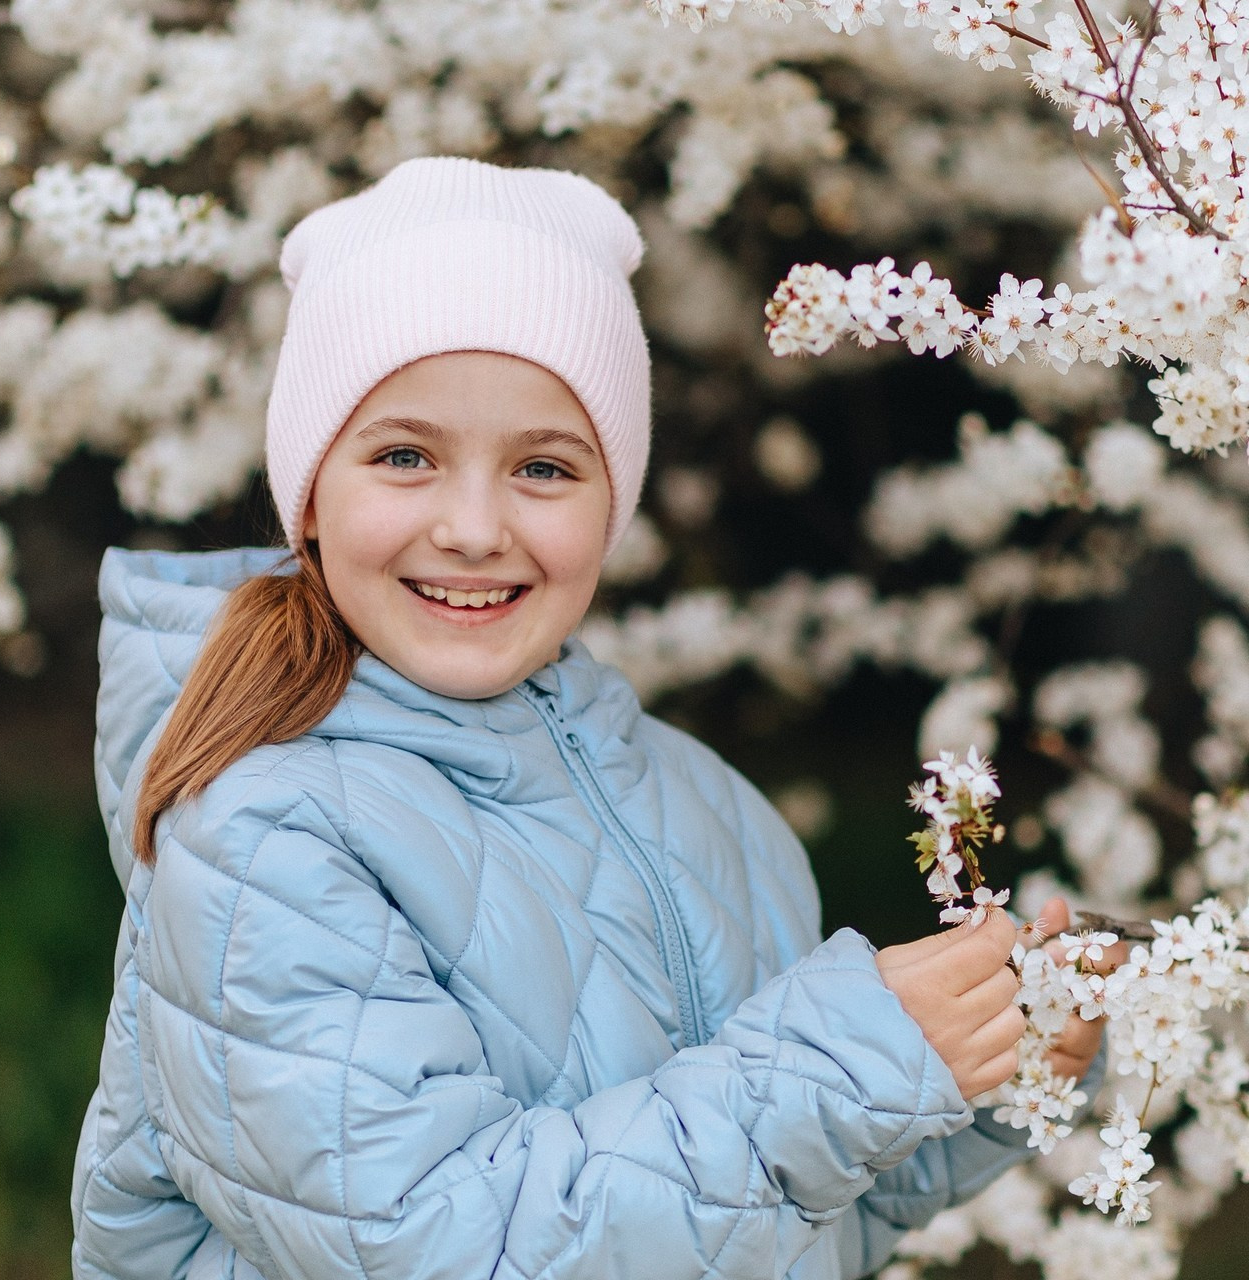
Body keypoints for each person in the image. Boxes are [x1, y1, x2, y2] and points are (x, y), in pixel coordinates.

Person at [71, 156, 1105, 1280]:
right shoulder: (262, 840)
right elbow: (435, 1243)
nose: (472, 526)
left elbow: (786, 1220)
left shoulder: (705, 803)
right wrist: (839, 1067)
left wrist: (983, 1073)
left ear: (613, 507)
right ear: (310, 494)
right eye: (404, 456)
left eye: (544, 467)